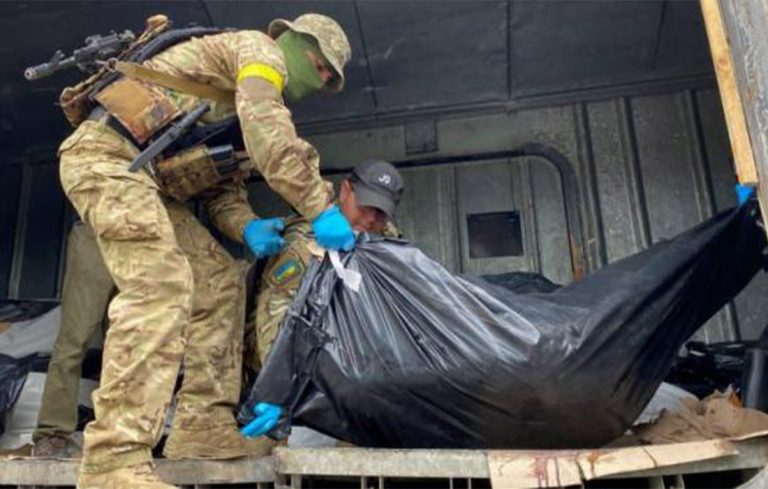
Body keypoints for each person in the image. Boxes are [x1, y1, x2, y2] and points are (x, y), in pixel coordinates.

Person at [57, 13, 354, 488]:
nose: (320, 82)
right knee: (160, 286)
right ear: (295, 43)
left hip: (148, 182)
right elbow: (270, 134)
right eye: (320, 67)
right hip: (106, 158)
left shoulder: (237, 100)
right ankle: (113, 461)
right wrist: (319, 205)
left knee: (219, 282)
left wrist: (247, 224)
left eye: (329, 78)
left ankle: (202, 426)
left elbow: (220, 191)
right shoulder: (259, 52)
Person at [242, 159, 405, 428]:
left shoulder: (385, 241)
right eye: (365, 206)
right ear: (345, 192)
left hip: (350, 376)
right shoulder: (306, 242)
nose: (370, 219)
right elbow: (276, 316)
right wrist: (276, 389)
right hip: (296, 371)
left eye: (381, 212)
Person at [31, 221, 114, 458]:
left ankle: (118, 434)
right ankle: (52, 432)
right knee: (73, 341)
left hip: (146, 243)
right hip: (99, 231)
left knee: (130, 349)